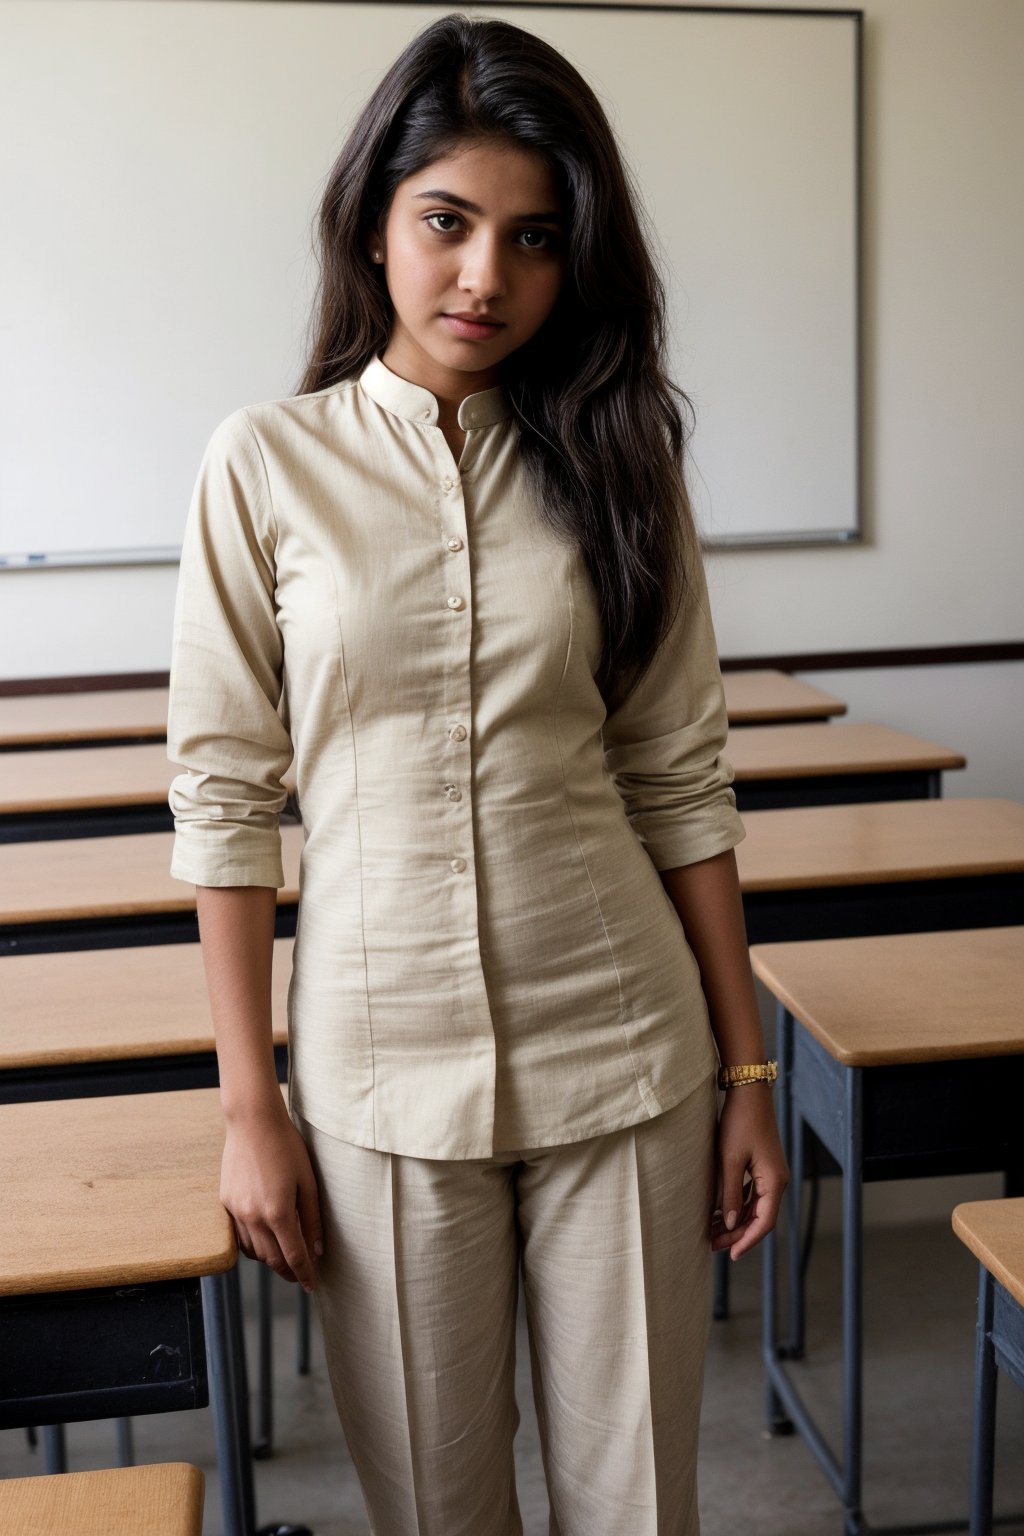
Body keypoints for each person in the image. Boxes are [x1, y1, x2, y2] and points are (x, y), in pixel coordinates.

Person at [166, 13, 788, 1535]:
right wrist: (253, 1108)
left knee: (636, 1498)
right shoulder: (262, 464)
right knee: (438, 1511)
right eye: (447, 222)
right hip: (378, 1079)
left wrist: (747, 1073)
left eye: (534, 238)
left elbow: (678, 780)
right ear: (375, 224)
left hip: (628, 1055)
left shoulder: (622, 459)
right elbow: (227, 800)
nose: (484, 277)